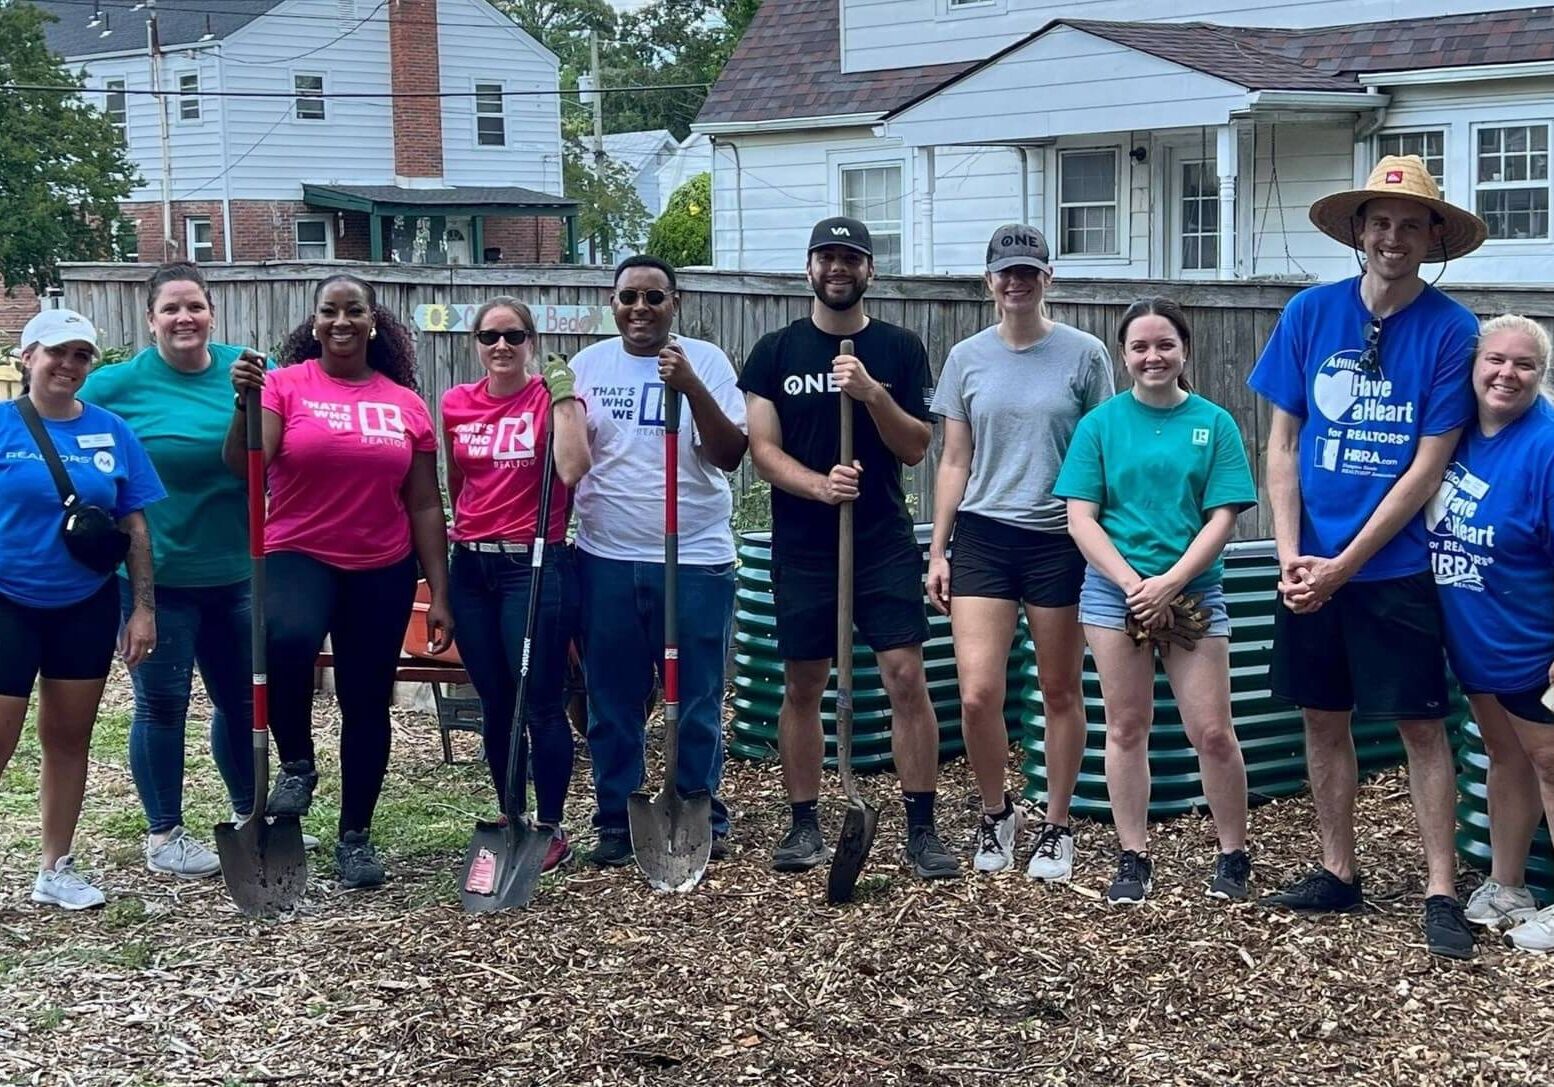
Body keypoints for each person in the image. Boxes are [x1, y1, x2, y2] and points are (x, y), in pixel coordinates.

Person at [1248, 155, 1486, 958]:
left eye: (1409, 224)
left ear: (1432, 238)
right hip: (1306, 567)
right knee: (1323, 716)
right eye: (1379, 222)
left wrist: (1344, 563)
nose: (1392, 237)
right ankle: (1337, 869)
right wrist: (1291, 556)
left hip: (1392, 569)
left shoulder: (1453, 331)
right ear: (1358, 231)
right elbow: (1281, 443)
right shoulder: (1310, 313)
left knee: (1422, 724)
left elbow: (1428, 464)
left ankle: (1441, 889)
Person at [742, 216, 958, 880]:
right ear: (809, 267)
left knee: (905, 675)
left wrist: (870, 395)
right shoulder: (775, 351)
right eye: (827, 257)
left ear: (869, 270)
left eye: (851, 258)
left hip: (882, 539)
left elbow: (917, 446)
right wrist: (817, 484)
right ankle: (804, 821)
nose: (839, 268)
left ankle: (921, 826)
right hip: (805, 544)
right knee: (803, 682)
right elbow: (762, 450)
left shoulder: (897, 348)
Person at [225, 274, 451, 889]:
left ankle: (356, 836)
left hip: (382, 565)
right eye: (331, 311)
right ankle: (297, 759)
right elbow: (245, 463)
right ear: (315, 321)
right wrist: (243, 405)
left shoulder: (405, 402)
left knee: (367, 699)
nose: (342, 321)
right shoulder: (284, 384)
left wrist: (440, 592)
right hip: (299, 550)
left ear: (372, 321)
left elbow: (426, 503)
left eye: (355, 310)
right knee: (288, 639)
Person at [1055, 298, 1255, 904]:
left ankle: (1233, 854)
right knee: (1126, 726)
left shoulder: (1215, 423)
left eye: (1164, 344)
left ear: (1183, 350)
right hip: (1114, 595)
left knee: (1213, 730)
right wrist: (1132, 585)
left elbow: (1223, 516)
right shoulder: (1100, 426)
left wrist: (1170, 582)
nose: (1152, 356)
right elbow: (1080, 517)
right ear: (1124, 355)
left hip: (1195, 592)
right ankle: (1132, 854)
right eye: (1139, 347)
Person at [928, 224, 1113, 879]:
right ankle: (995, 812)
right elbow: (954, 457)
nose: (1016, 282)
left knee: (1060, 688)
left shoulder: (1085, 355)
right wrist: (939, 547)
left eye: (1028, 272)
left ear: (1047, 278)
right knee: (979, 692)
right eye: (1005, 272)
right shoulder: (966, 358)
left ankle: (1057, 826)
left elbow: (1101, 452)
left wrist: (1103, 541)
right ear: (989, 282)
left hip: (1060, 538)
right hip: (983, 532)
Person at [79, 263, 265, 879]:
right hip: (154, 580)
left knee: (238, 702)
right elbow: (60, 428)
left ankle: (248, 818)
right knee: (162, 704)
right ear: (151, 319)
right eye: (171, 309)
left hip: (236, 574)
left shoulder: (245, 371)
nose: (185, 318)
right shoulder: (116, 386)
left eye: (196, 306)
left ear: (212, 312)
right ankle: (164, 835)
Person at [571, 255, 747, 867]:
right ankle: (618, 817)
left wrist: (691, 385)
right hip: (607, 557)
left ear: (677, 302)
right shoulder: (588, 367)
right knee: (612, 698)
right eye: (628, 297)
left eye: (653, 297)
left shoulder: (709, 361)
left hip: (694, 556)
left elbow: (729, 454)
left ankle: (699, 806)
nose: (639, 308)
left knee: (697, 694)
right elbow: (570, 459)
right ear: (612, 303)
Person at [0, 309, 165, 909]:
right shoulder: (2, 426)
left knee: (69, 738)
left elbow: (136, 525)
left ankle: (55, 867)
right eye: (56, 352)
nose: (68, 365)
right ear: (27, 358)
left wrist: (142, 608)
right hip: (9, 602)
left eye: (80, 355)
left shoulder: (112, 432)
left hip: (84, 604)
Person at [442, 298, 589, 873]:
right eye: (489, 336)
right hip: (473, 567)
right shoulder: (457, 402)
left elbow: (574, 468)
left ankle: (551, 824)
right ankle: (512, 813)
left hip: (533, 565)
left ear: (530, 341)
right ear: (476, 343)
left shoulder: (549, 400)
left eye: (513, 336)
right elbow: (458, 484)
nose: (500, 346)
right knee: (496, 700)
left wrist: (564, 394)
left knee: (540, 701)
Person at [1426, 315, 1554, 951]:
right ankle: (1509, 885)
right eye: (1495, 361)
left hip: (1536, 644)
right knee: (1508, 758)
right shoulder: (1455, 436)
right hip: (1479, 639)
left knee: (1552, 762)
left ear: (1542, 374)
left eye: (1524, 365)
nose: (1506, 373)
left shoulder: (1547, 445)